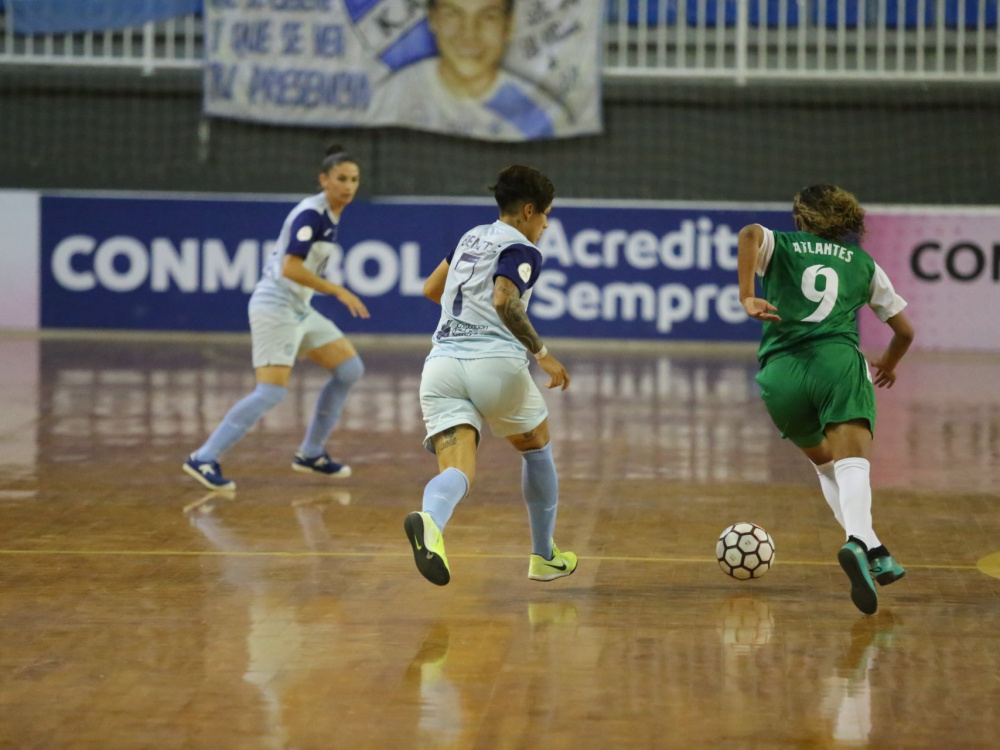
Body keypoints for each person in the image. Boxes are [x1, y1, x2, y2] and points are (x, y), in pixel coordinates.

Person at [737, 183, 915, 615]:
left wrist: (746, 294)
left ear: (801, 217)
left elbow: (748, 234)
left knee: (826, 465)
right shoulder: (864, 263)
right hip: (837, 365)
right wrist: (888, 364)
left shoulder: (782, 244)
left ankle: (875, 551)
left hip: (781, 374)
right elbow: (905, 332)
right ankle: (859, 543)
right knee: (853, 462)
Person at [404, 164, 577, 586]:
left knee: (457, 471)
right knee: (536, 447)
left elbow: (432, 289)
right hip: (495, 368)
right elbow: (505, 299)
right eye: (546, 215)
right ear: (529, 210)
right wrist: (542, 353)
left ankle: (430, 522)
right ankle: (543, 556)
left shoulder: (469, 238)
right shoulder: (523, 249)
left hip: (441, 367)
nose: (546, 225)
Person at [183, 144, 370, 491]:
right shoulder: (311, 214)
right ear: (324, 180)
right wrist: (337, 290)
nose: (349, 186)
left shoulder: (332, 212)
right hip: (276, 305)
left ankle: (311, 453)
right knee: (270, 392)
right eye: (341, 178)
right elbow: (290, 267)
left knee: (349, 370)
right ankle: (204, 457)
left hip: (298, 308)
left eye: (354, 179)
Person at [371, 0, 573, 140]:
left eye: (488, 17)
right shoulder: (393, 92)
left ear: (509, 25)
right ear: (433, 19)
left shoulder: (544, 113)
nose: (469, 34)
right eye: (452, 14)